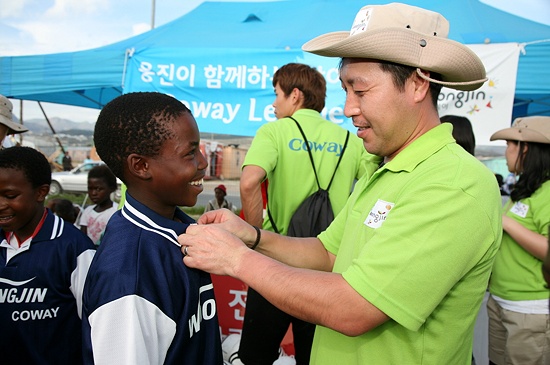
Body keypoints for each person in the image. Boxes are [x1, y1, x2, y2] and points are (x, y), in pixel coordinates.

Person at [178, 3, 503, 364]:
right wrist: (251, 237)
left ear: (417, 84)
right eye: (345, 90)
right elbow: (327, 254)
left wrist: (237, 260)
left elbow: (354, 308)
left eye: (360, 91)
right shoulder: (384, 168)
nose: (348, 108)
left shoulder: (453, 184)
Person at [238, 62, 371, 365]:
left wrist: (255, 236)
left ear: (295, 95)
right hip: (327, 265)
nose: (274, 104)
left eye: (277, 95)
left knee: (255, 356)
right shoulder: (351, 139)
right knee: (312, 355)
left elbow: (248, 182)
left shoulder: (274, 132)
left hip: (276, 258)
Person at [82, 92, 222, 364]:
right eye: (190, 153)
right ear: (141, 165)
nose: (203, 163)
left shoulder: (179, 229)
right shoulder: (128, 277)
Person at [0, 146, 95, 364]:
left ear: (41, 192)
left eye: (10, 195)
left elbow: (95, 325)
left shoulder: (74, 249)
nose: (1, 204)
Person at [487, 116, 550, 365]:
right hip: (502, 301)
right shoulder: (528, 188)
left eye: (509, 145)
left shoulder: (547, 190)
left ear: (526, 148)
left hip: (530, 309)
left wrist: (507, 223)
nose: (505, 153)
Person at [79, 164, 118, 245]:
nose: (93, 193)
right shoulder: (87, 212)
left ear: (112, 188)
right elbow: (82, 239)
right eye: (90, 188)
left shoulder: (117, 212)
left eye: (98, 189)